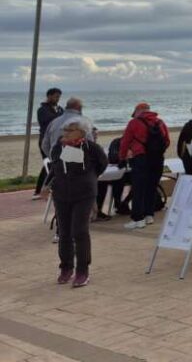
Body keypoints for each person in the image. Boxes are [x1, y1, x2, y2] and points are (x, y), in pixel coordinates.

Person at [49, 122, 107, 287]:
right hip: (61, 194)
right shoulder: (58, 148)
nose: (64, 136)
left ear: (80, 134)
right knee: (64, 232)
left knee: (79, 231)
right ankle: (66, 267)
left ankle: (83, 271)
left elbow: (102, 164)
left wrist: (89, 178)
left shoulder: (91, 148)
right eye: (64, 132)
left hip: (84, 194)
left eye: (69, 133)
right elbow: (55, 167)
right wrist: (49, 186)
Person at [119, 103, 169, 230]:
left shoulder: (134, 123)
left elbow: (125, 141)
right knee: (152, 187)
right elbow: (167, 141)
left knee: (138, 189)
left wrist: (122, 157)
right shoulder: (160, 122)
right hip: (157, 159)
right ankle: (149, 215)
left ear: (138, 111)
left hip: (141, 158)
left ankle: (137, 219)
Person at [33, 87, 64, 199]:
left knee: (52, 164)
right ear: (49, 96)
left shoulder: (60, 109)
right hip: (45, 142)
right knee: (49, 163)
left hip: (56, 141)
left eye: (59, 97)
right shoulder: (42, 110)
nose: (58, 99)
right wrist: (61, 116)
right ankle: (39, 190)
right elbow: (48, 120)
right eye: (56, 97)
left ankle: (44, 188)